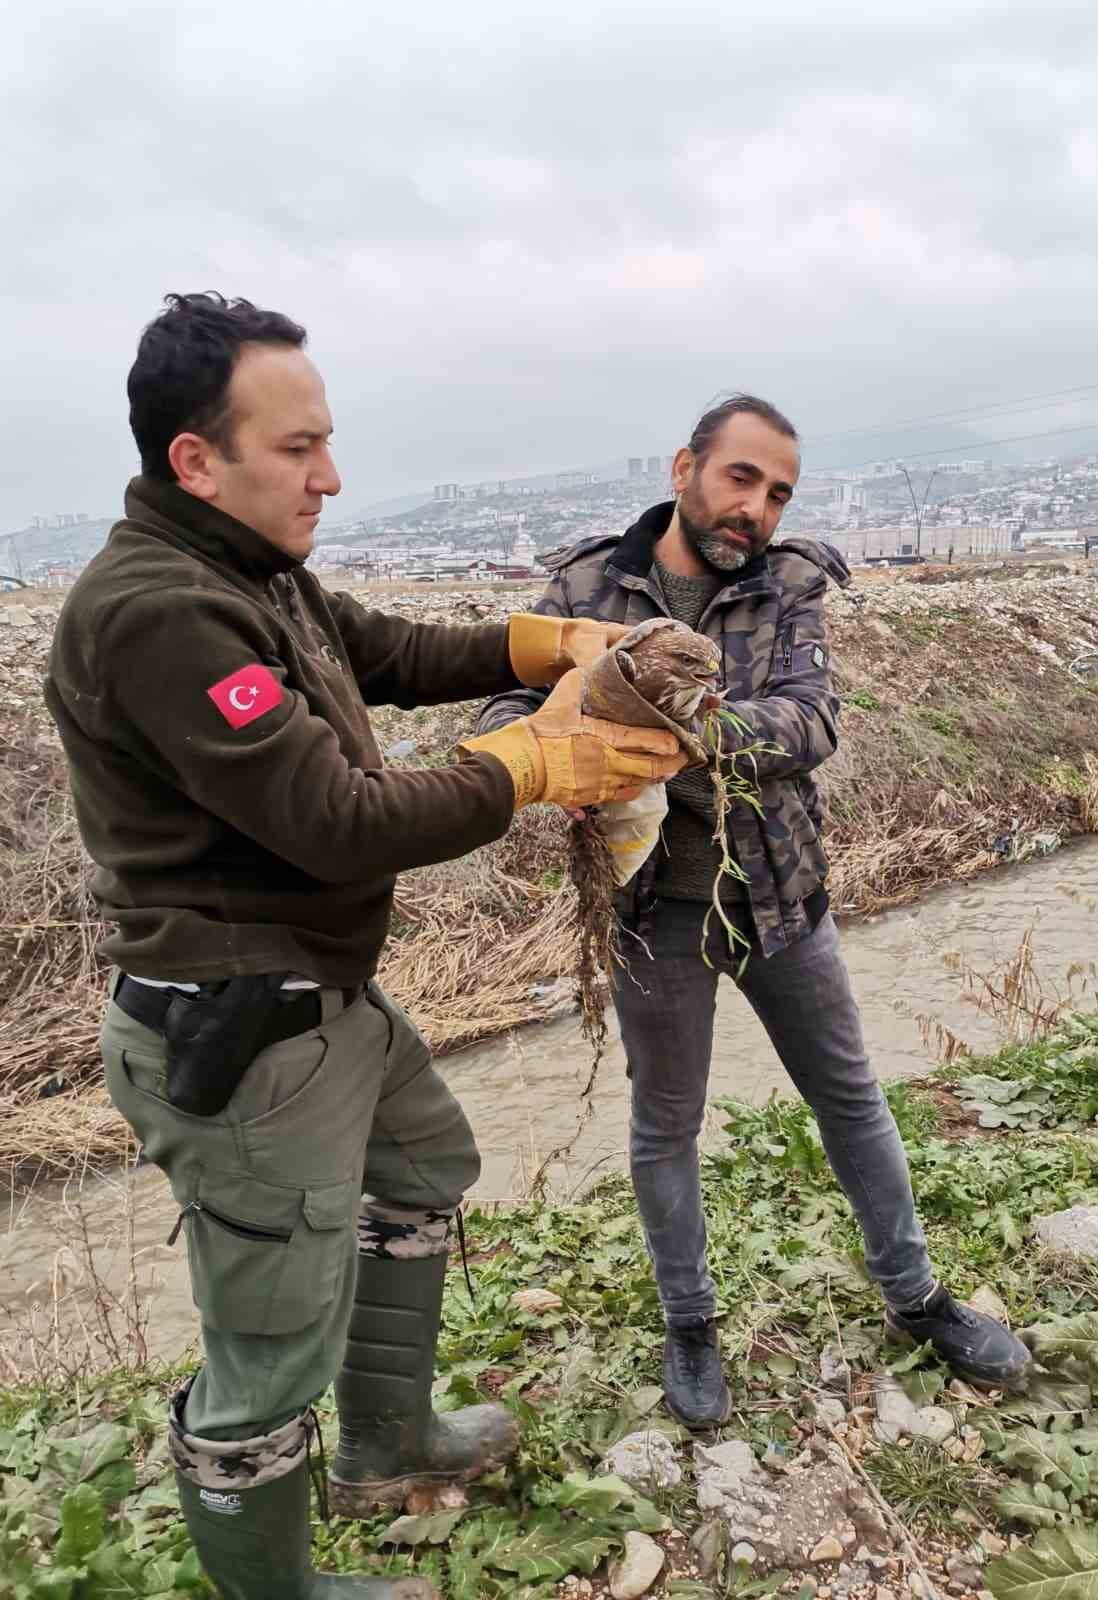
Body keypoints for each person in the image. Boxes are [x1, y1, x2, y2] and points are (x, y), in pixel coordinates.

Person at [44, 292, 685, 1599]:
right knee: (266, 1352)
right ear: (195, 458)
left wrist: (556, 640)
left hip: (319, 997)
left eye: (327, 442)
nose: (330, 476)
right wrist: (543, 759)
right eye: (299, 448)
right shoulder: (159, 610)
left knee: (427, 1164)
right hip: (241, 1032)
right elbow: (335, 822)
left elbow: (386, 650)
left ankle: (385, 1446)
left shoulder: (248, 570)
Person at [478, 395, 1031, 1430]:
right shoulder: (586, 585)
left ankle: (916, 1296)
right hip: (652, 911)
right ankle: (689, 1323)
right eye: (741, 478)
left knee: (850, 1096)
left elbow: (809, 720)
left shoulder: (789, 583)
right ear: (686, 465)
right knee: (666, 1124)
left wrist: (684, 725)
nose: (757, 508)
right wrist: (542, 751)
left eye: (778, 493)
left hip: (781, 895)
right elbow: (512, 710)